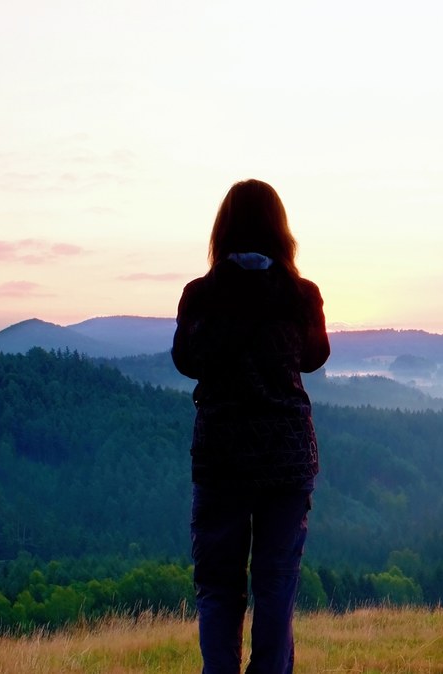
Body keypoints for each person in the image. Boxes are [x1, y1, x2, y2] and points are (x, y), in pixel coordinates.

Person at [172, 179, 329, 674]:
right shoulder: (300, 295)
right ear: (280, 232)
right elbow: (315, 355)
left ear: (223, 230)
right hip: (286, 459)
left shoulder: (201, 295)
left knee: (219, 588)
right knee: (276, 583)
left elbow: (186, 361)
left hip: (221, 459)